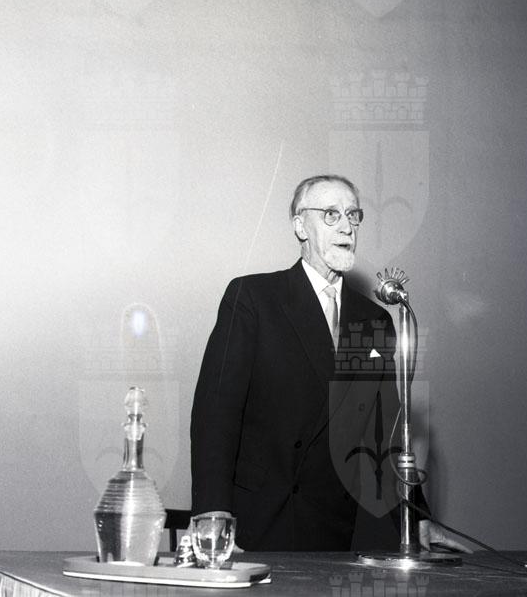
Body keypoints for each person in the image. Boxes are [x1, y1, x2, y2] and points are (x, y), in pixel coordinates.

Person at [191, 175, 467, 552]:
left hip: (333, 525)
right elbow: (216, 413)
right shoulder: (254, 298)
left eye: (353, 215)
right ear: (300, 226)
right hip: (260, 518)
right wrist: (212, 513)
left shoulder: (372, 319)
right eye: (331, 215)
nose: (347, 227)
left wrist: (417, 517)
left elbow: (384, 433)